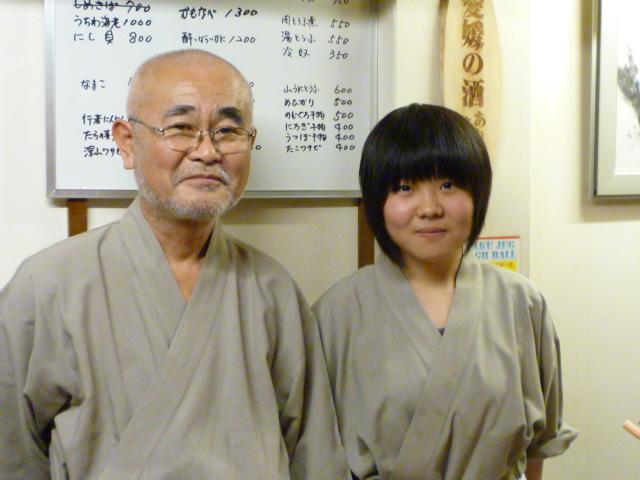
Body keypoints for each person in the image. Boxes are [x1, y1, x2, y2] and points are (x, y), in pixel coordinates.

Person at [0, 49, 349, 480]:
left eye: (228, 130)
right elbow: (11, 454)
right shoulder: (47, 286)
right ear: (127, 142)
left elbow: (315, 457)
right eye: (181, 128)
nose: (207, 151)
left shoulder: (272, 290)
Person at [312, 104, 577, 480]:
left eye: (448, 185)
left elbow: (539, 445)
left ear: (478, 193)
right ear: (377, 200)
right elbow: (317, 451)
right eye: (405, 188)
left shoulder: (522, 302)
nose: (430, 208)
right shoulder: (336, 312)